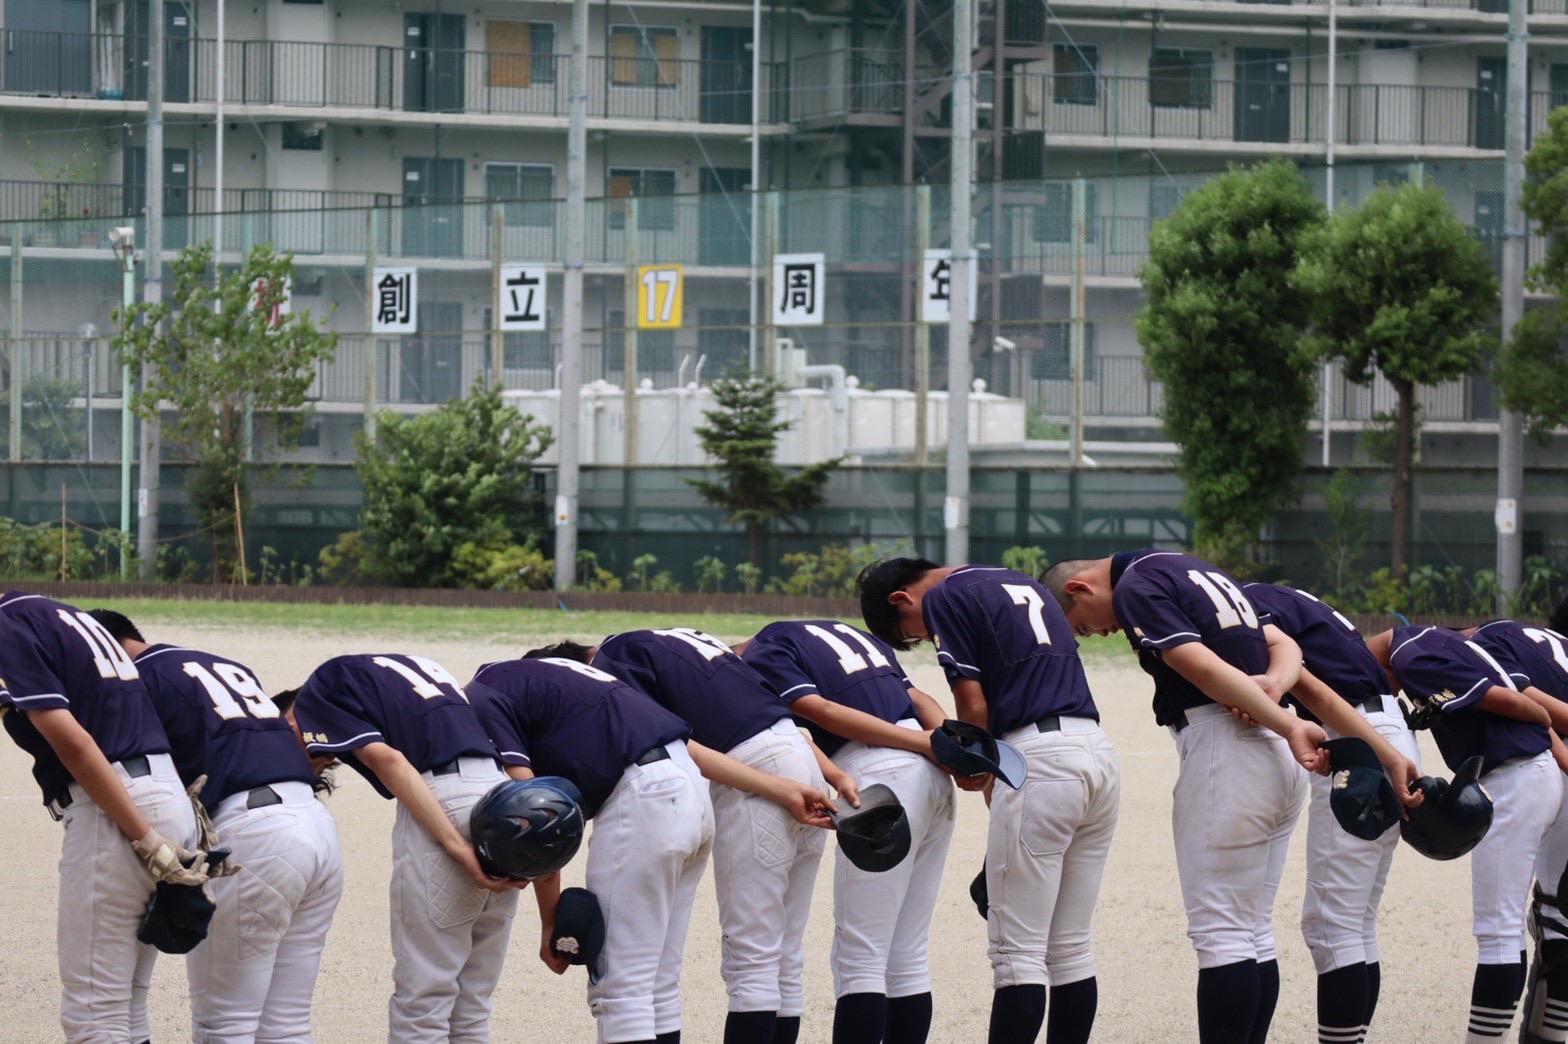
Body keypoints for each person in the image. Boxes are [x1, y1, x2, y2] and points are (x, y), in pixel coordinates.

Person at [1040, 552, 1326, 1044]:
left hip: (1228, 743)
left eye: (1082, 628)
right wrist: (1275, 693)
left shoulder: (1134, 586)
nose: (1101, 633)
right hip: (1271, 751)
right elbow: (1283, 645)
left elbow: (1198, 664)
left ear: (1079, 590)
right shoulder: (1186, 567)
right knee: (1253, 929)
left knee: (1223, 934)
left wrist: (1288, 721)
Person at [859, 560, 1120, 1044]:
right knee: (1070, 948)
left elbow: (974, 705)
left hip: (1039, 756)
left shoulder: (944, 596)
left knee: (1017, 954)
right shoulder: (1020, 580)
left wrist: (975, 766)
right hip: (1096, 751)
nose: (922, 635)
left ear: (902, 599)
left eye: (911, 633)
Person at [555, 629, 847, 1044]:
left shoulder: (612, 659)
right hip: (800, 760)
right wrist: (830, 774)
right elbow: (784, 721)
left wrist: (776, 787)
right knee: (782, 955)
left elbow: (663, 739)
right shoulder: (686, 640)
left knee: (751, 959)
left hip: (757, 773)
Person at [89, 608, 344, 1044]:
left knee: (224, 1024)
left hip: (257, 834)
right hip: (317, 829)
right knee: (286, 1023)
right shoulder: (225, 665)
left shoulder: (135, 679)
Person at [466, 649, 716, 1044]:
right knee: (657, 986)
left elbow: (536, 818)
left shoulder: (481, 691)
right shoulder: (561, 680)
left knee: (620, 991)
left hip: (645, 798)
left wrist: (550, 921)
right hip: (693, 791)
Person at [279, 653, 518, 1044]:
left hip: (444, 797)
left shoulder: (319, 689)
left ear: (287, 721)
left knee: (423, 1002)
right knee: (472, 1006)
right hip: (499, 794)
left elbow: (388, 759)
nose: (315, 759)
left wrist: (456, 847)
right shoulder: (417, 670)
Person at [0, 592, 205, 1044]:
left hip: (116, 809)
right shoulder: (59, 615)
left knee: (93, 1013)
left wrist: (145, 838)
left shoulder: (7, 623)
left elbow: (72, 743)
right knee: (126, 1003)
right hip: (161, 792)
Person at [740, 619, 956, 1044]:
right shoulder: (851, 632)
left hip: (882, 775)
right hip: (932, 777)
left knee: (861, 959)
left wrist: (921, 744)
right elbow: (917, 696)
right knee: (906, 954)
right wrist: (945, 742)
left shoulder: (766, 645)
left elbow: (818, 711)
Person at [1237, 584, 1422, 1044]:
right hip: (1387, 726)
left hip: (1359, 734)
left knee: (1331, 924)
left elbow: (1308, 683)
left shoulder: (1246, 605)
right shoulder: (1286, 596)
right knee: (1356, 921)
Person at [1365, 623, 1566, 1044]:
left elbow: (1516, 703)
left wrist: (1539, 715)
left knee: (1498, 932)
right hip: (1539, 770)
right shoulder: (1448, 643)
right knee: (1538, 920)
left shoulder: (1411, 654)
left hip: (1517, 777)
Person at [1462, 618, 1568, 1044]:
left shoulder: (1495, 633)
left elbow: (1523, 695)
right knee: (1561, 917)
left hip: (1537, 764)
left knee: (1501, 933)